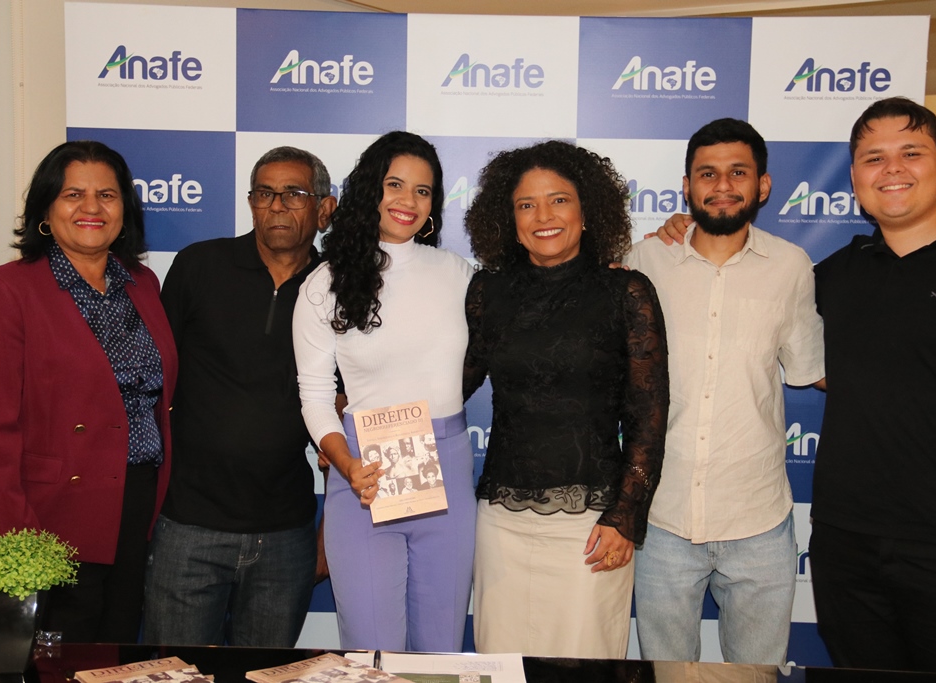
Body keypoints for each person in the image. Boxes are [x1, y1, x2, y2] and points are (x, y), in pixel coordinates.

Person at [808, 97, 936, 675]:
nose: (892, 169)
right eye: (874, 158)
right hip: (845, 543)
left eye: (911, 152)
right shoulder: (830, 276)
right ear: (854, 177)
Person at [625, 119, 825, 665]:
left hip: (758, 519)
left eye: (738, 172)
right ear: (686, 186)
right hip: (662, 517)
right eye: (707, 173)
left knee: (756, 676)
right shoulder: (644, 260)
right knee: (668, 676)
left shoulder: (791, 265)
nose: (722, 185)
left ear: (763, 185)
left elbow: (810, 366)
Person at [462, 139, 670, 658]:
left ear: (587, 210)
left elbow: (648, 416)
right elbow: (452, 384)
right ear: (509, 220)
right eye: (526, 205)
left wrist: (625, 516)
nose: (543, 216)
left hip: (593, 526)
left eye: (559, 200)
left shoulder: (626, 292)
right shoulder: (487, 292)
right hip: (501, 521)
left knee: (585, 669)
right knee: (501, 666)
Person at [0, 140, 178, 642]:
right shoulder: (6, 291)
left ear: (124, 210)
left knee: (113, 654)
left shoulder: (142, 283)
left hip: (136, 504)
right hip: (50, 514)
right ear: (46, 209)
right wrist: (16, 535)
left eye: (107, 195)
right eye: (73, 194)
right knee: (56, 659)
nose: (91, 207)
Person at [143, 146, 336, 647]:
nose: (277, 206)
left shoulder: (339, 288)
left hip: (286, 535)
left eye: (294, 193)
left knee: (265, 678)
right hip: (187, 527)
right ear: (251, 204)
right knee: (175, 676)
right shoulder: (199, 266)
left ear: (324, 208)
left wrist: (329, 534)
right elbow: (152, 381)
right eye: (264, 194)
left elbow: (345, 416)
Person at [293, 131, 476, 652]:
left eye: (423, 190)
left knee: (440, 652)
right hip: (364, 474)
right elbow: (314, 394)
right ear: (370, 189)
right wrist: (345, 463)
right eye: (395, 185)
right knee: (372, 652)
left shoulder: (458, 274)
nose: (408, 201)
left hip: (447, 471)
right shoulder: (325, 283)